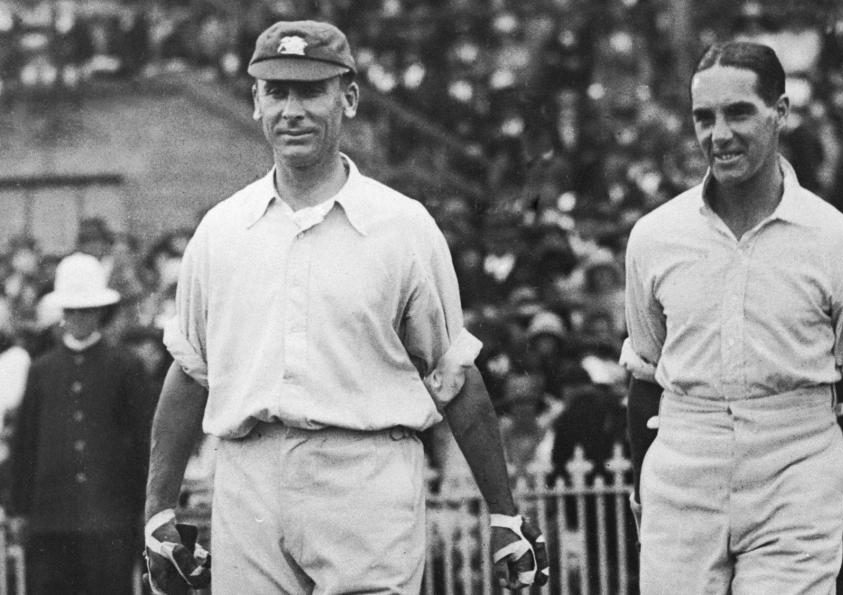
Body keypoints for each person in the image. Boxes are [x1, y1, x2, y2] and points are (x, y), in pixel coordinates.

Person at [142, 20, 548, 595]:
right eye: (276, 92)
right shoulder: (220, 230)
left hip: (365, 475)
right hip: (248, 478)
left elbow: (454, 375)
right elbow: (189, 372)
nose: (292, 111)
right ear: (255, 102)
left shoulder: (401, 226)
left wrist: (504, 514)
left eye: (311, 91)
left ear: (348, 98)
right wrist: (158, 510)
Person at [621, 41, 843, 594]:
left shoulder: (840, 242)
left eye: (739, 112)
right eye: (704, 117)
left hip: (798, 473)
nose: (719, 135)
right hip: (683, 474)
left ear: (781, 112)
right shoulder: (654, 238)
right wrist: (645, 493)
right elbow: (644, 380)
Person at [9, 252, 153, 594]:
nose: (78, 318)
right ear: (61, 313)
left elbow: (144, 440)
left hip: (109, 519)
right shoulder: (42, 369)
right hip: (50, 519)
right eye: (71, 310)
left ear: (101, 311)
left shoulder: (125, 366)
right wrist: (19, 508)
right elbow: (25, 443)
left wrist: (145, 505)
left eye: (86, 310)